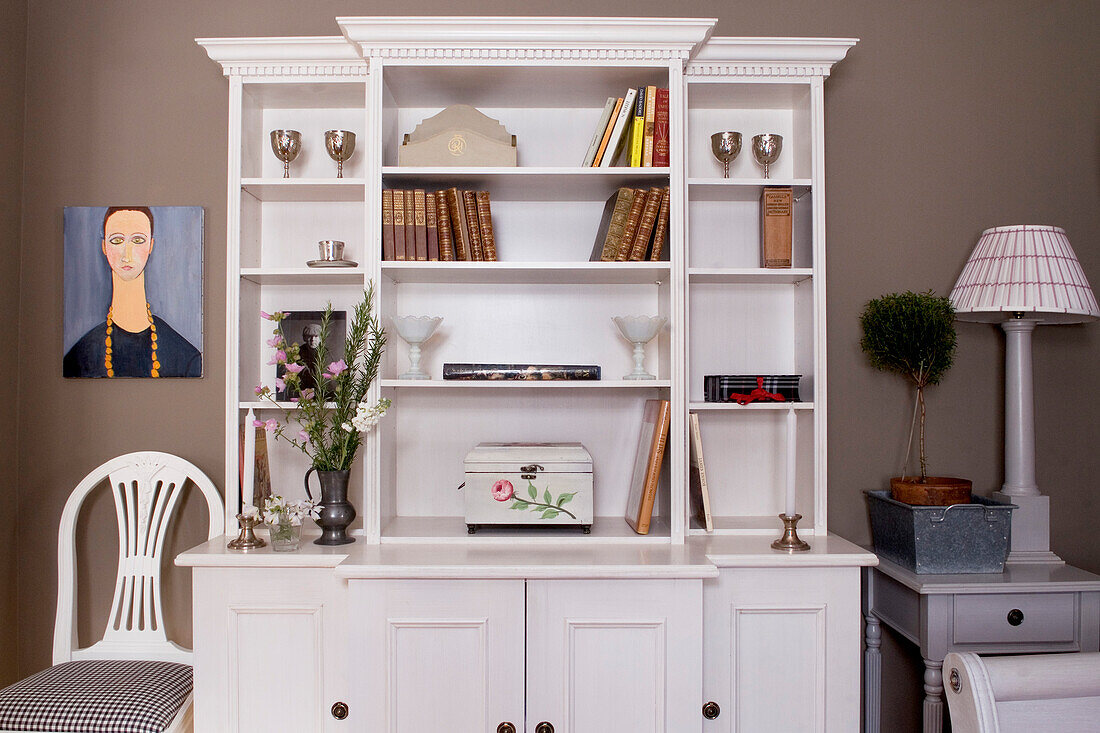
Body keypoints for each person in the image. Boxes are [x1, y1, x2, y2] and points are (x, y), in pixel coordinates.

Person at [63, 206, 201, 378]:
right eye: (116, 240)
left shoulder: (187, 358)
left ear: (151, 245)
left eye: (137, 240)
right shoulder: (77, 358)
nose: (126, 255)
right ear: (104, 246)